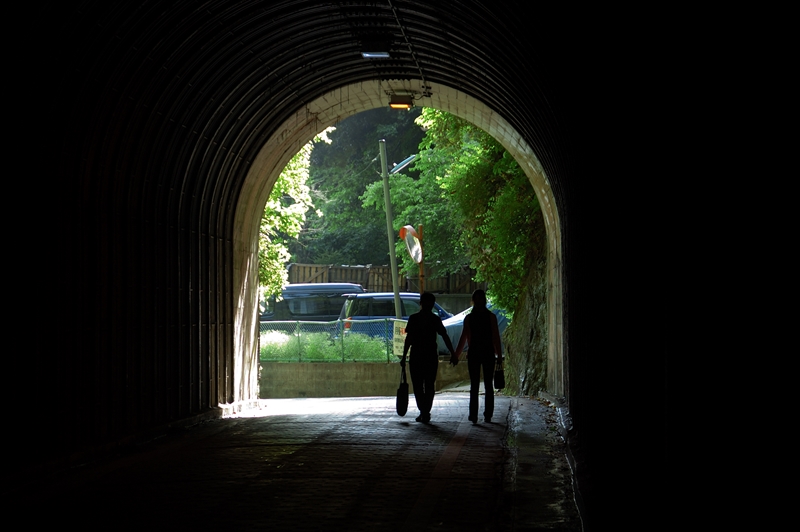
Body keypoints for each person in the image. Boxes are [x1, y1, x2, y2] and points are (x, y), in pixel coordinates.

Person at [400, 292, 456, 423]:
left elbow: (409, 339)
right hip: (430, 357)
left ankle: (423, 411)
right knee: (429, 385)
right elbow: (445, 336)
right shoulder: (435, 319)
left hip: (416, 356)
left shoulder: (414, 318)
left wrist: (403, 357)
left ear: (420, 303)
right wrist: (453, 353)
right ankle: (425, 411)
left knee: (418, 386)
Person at [453, 289, 503, 424]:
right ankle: (488, 415)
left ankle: (473, 415)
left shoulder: (469, 318)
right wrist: (498, 355)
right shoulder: (491, 317)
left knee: (474, 386)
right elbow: (495, 337)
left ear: (473, 301)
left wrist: (456, 355)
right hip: (488, 353)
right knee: (488, 385)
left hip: (474, 354)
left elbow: (463, 338)